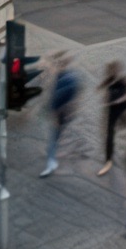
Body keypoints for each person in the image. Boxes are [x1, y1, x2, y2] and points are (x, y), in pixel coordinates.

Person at [41, 49, 82, 177]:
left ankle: (51, 164)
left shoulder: (66, 80)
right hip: (64, 113)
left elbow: (57, 99)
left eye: (59, 64)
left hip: (60, 114)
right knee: (55, 136)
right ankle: (52, 156)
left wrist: (56, 115)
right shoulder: (69, 77)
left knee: (54, 138)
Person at [95, 62, 126, 178]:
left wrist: (120, 100)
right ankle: (108, 159)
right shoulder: (110, 79)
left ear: (117, 70)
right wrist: (103, 93)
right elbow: (104, 88)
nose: (110, 73)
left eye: (112, 71)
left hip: (122, 108)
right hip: (112, 109)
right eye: (109, 71)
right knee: (109, 134)